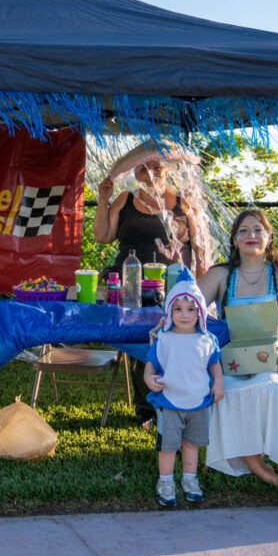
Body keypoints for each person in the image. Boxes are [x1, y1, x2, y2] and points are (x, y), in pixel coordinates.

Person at [196, 209, 278, 499]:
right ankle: (262, 470)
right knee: (225, 391)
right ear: (234, 239)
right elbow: (187, 304)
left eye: (258, 230)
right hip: (235, 361)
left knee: (273, 388)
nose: (251, 235)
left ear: (269, 237)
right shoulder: (221, 275)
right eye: (243, 231)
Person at [94, 157, 204, 426]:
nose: (150, 172)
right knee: (141, 338)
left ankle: (175, 400)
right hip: (128, 287)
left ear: (167, 170)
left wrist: (201, 290)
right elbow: (102, 236)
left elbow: (201, 250)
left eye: (156, 166)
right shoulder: (125, 200)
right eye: (143, 167)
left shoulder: (183, 203)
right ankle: (148, 409)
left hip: (173, 289)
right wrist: (103, 200)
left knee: (170, 340)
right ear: (135, 173)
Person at [144, 268, 224, 507]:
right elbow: (151, 363)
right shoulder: (164, 339)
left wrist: (218, 382)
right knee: (168, 446)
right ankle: (165, 481)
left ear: (200, 312)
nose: (185, 315)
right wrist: (148, 378)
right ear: (169, 311)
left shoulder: (207, 340)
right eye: (178, 309)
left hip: (198, 401)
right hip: (169, 401)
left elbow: (214, 364)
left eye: (191, 309)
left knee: (191, 443)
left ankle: (190, 479)